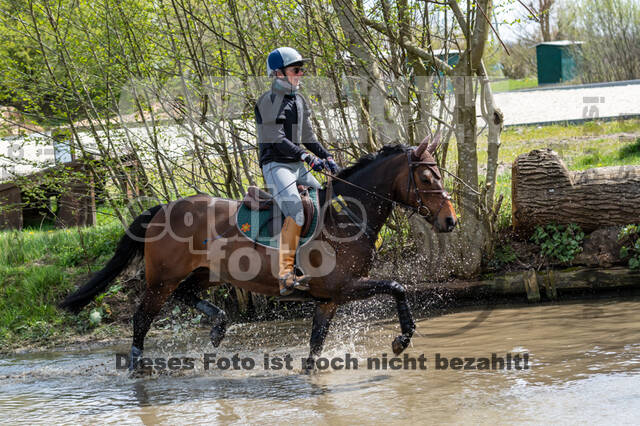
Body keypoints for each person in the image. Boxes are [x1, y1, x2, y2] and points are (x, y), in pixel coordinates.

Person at [255, 46, 339, 296]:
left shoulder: (299, 100)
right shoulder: (267, 101)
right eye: (296, 69)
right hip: (276, 166)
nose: (301, 73)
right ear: (279, 73)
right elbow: (276, 137)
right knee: (296, 210)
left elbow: (308, 137)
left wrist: (326, 156)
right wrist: (305, 155)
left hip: (296, 166)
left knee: (324, 198)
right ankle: (285, 274)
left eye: (302, 69)